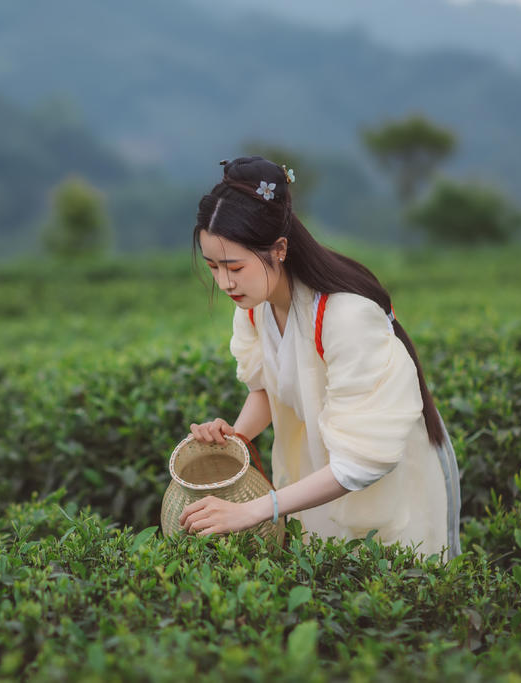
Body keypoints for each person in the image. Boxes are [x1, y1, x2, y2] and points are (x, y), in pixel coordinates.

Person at [178, 156, 461, 560]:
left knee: (391, 595)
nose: (224, 283)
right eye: (212, 267)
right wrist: (234, 439)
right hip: (314, 476)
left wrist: (255, 510)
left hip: (383, 484)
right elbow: (267, 390)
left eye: (234, 266)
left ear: (279, 249)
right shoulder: (255, 308)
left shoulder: (345, 317)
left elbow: (361, 463)